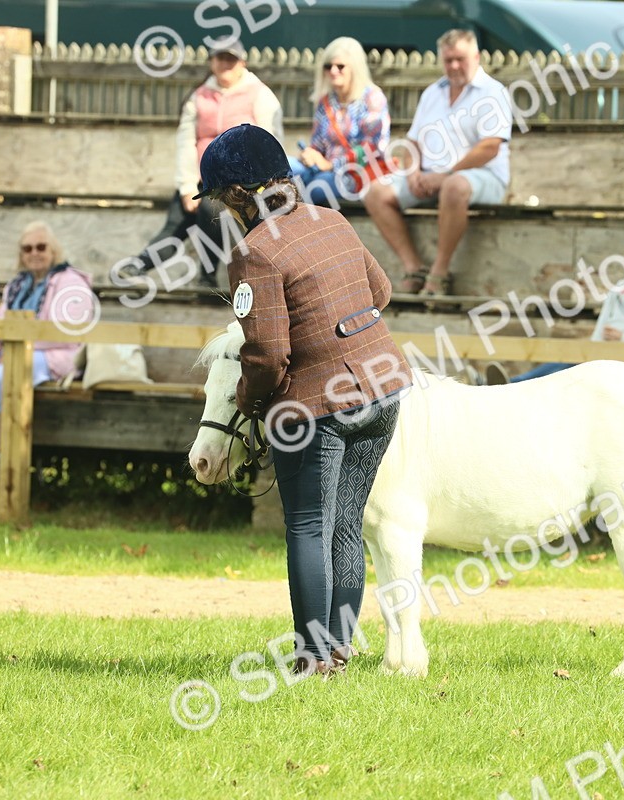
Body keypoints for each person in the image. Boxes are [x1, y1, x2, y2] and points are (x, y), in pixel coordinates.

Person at [197, 123, 412, 674]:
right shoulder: (332, 219)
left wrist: (248, 401)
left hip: (321, 408)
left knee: (310, 527)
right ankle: (338, 646)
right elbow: (381, 292)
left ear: (243, 197)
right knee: (345, 523)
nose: (224, 214)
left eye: (223, 202)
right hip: (383, 389)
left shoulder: (255, 253)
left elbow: (267, 357)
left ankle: (314, 659)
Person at [363, 29, 512, 297]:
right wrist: (413, 173)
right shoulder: (433, 92)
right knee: (375, 192)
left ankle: (440, 272)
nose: (454, 66)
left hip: (483, 177)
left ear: (476, 56)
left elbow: (490, 147)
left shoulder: (493, 92)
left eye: (460, 59)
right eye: (448, 60)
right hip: (430, 178)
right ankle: (414, 267)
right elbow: (413, 143)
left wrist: (446, 174)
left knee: (454, 186)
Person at [122, 40, 284, 288]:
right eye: (220, 58)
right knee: (179, 217)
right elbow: (186, 143)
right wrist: (187, 187)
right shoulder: (198, 97)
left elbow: (268, 140)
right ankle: (141, 264)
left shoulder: (260, 94)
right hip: (202, 177)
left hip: (244, 180)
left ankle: (207, 277)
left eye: (231, 59)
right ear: (211, 62)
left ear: (243, 62)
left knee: (210, 208)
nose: (225, 64)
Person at [0, 222, 92, 486]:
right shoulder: (17, 284)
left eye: (41, 247)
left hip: (55, 354)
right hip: (10, 350)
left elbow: (67, 333)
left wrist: (16, 346)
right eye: (27, 248)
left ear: (53, 250)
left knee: (2, 378)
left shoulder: (71, 282)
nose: (34, 253)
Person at [486, 240, 624, 384]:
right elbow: (598, 340)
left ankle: (508, 386)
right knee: (570, 361)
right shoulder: (617, 294)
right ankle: (508, 386)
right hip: (610, 365)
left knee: (572, 371)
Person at [292, 37, 390, 207]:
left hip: (356, 172)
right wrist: (310, 154)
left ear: (355, 68)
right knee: (288, 171)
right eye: (328, 66)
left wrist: (330, 164)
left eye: (340, 66)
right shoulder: (325, 102)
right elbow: (318, 146)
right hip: (323, 169)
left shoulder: (372, 98)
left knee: (317, 187)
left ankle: (301, 231)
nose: (333, 71)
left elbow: (370, 150)